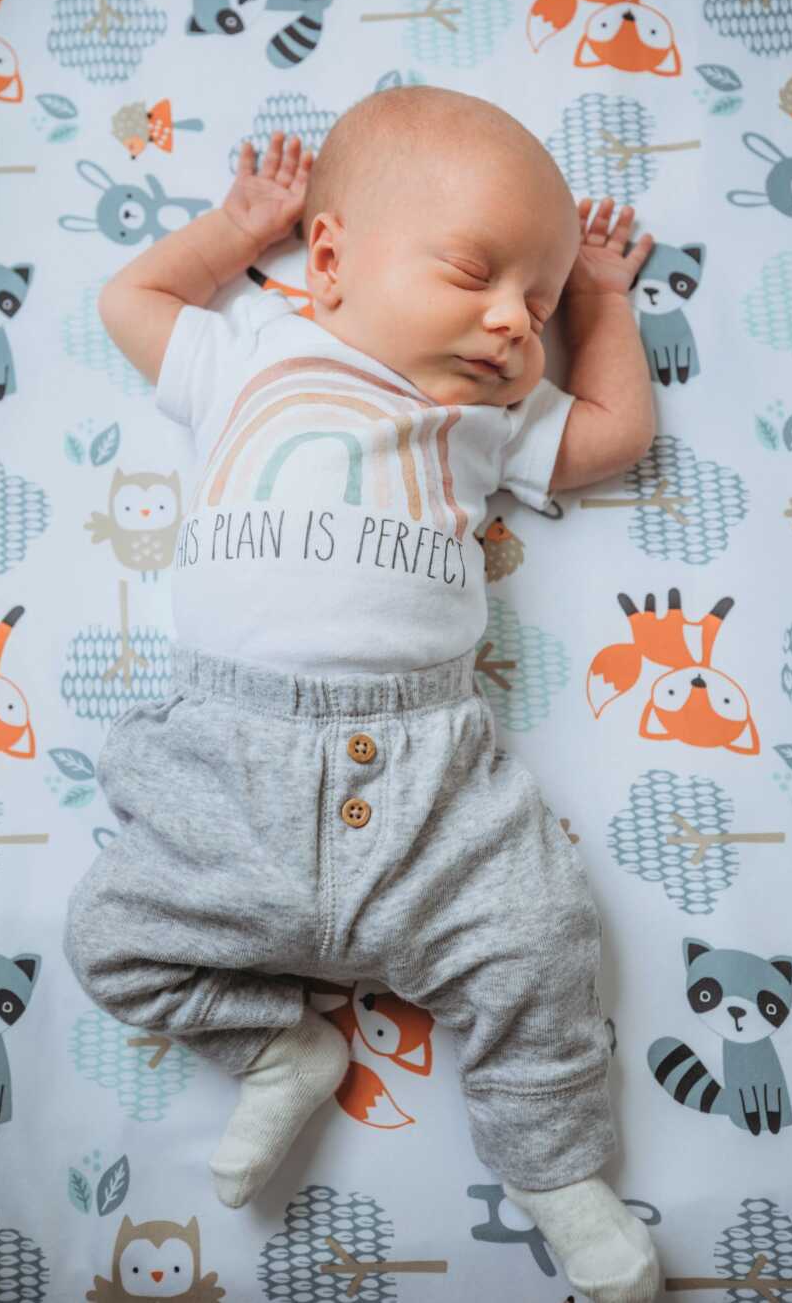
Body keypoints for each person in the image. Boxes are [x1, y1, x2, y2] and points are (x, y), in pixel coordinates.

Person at [63, 86, 660, 1303]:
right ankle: (281, 1048)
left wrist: (604, 302)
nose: (510, 321)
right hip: (224, 765)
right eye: (477, 273)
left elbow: (616, 438)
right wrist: (240, 228)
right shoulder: (246, 355)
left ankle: (556, 1175)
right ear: (330, 260)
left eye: (535, 304)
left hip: (427, 776)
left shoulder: (487, 416)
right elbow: (132, 300)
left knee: (541, 938)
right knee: (106, 939)